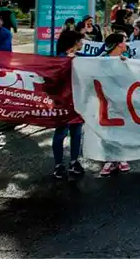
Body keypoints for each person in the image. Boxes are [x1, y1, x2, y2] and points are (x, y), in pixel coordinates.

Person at [52, 30, 85, 179]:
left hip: (77, 101)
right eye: (80, 41)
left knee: (76, 132)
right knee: (61, 133)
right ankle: (58, 164)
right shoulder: (59, 60)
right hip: (63, 102)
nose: (82, 43)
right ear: (74, 42)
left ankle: (74, 161)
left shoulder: (82, 58)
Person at [99, 34, 131, 176]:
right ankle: (109, 158)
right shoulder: (102, 60)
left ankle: (120, 156)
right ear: (118, 44)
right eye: (124, 42)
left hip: (122, 100)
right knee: (108, 129)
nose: (126, 44)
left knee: (122, 127)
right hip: (105, 100)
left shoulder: (126, 59)